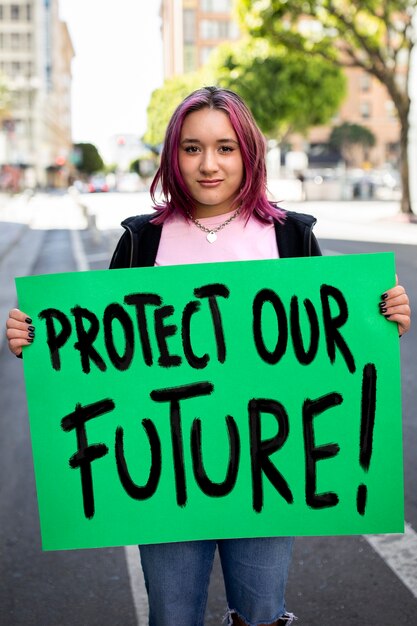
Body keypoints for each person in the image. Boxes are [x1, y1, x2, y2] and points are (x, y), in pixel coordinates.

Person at [5, 86, 411, 626]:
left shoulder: (291, 236)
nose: (209, 164)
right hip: (166, 477)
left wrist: (384, 319)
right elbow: (99, 353)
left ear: (249, 152)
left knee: (263, 612)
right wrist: (36, 336)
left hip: (268, 473)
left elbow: (330, 343)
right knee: (172, 615)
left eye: (226, 147)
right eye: (192, 148)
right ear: (172, 155)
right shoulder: (141, 241)